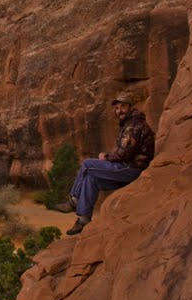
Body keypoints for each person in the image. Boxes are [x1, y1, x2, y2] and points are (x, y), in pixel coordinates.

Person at [53, 94, 155, 235]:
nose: (119, 111)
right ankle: (83, 219)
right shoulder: (129, 125)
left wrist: (106, 156)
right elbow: (123, 151)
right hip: (127, 167)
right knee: (91, 179)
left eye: (123, 107)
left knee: (87, 164)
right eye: (117, 108)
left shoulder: (134, 126)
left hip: (131, 168)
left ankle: (73, 200)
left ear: (130, 107)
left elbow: (124, 153)